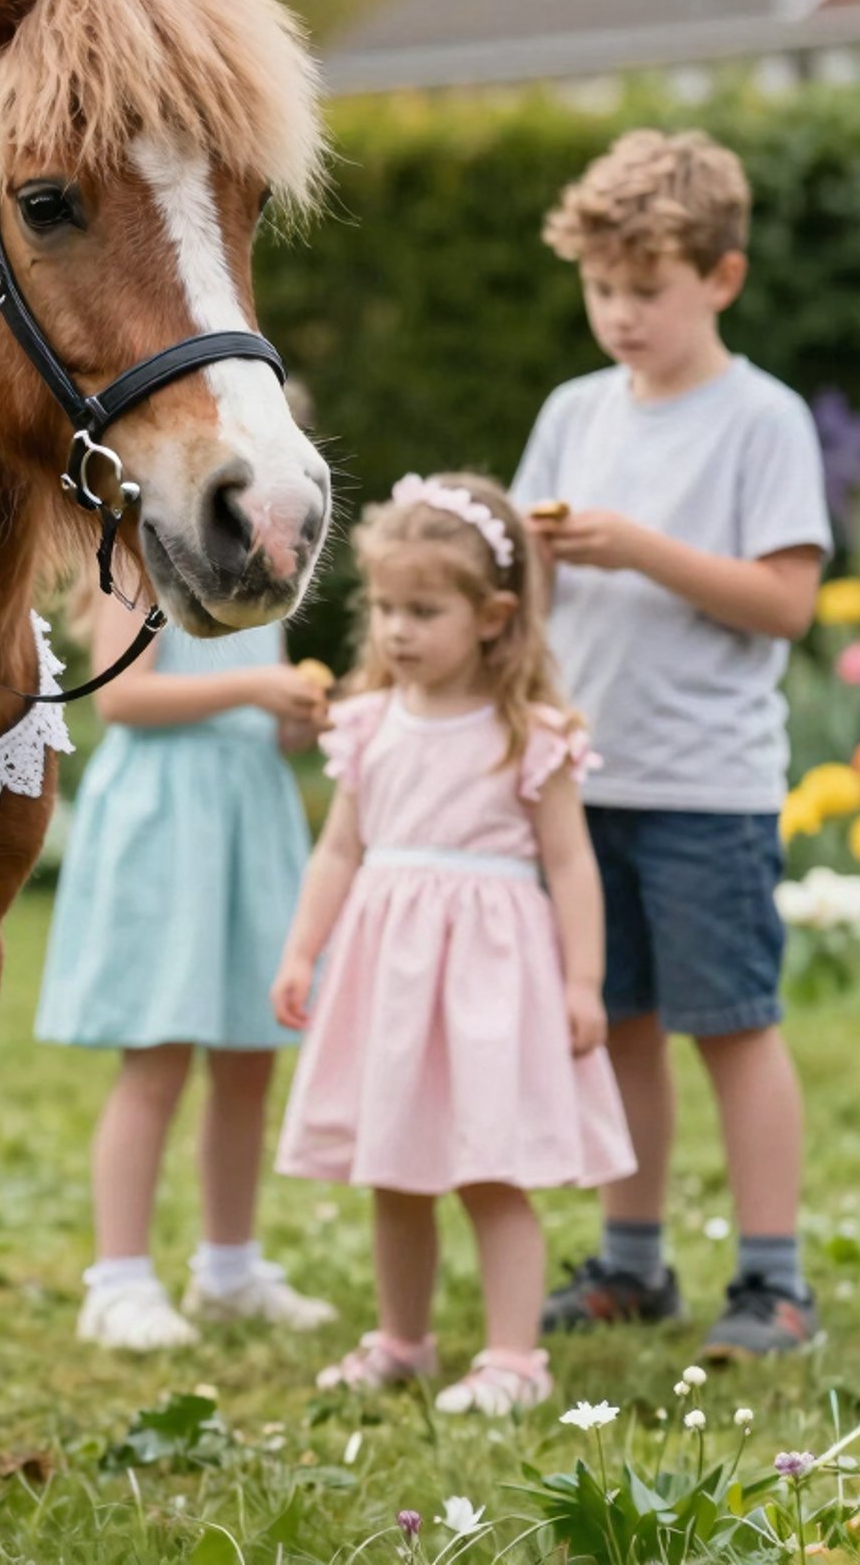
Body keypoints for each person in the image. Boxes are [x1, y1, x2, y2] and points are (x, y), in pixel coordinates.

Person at [512, 129, 830, 1356]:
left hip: (708, 789)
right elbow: (530, 585)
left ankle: (773, 1282)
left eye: (647, 292)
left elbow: (785, 604)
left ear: (723, 279)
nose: (620, 317)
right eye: (602, 291)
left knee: (733, 1024)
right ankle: (631, 1262)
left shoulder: (764, 421)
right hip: (586, 788)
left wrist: (634, 544)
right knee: (620, 1021)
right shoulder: (573, 413)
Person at [271, 473, 635, 1415]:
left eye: (423, 609)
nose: (396, 630)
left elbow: (575, 865)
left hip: (491, 983)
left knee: (488, 1166)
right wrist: (303, 951)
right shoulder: (366, 723)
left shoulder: (530, 733)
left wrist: (585, 982)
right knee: (393, 1167)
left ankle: (516, 1357)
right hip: (386, 979)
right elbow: (340, 849)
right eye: (386, 607)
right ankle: (404, 1339)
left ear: (492, 614)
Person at [36, 584, 336, 1352]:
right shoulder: (145, 565)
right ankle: (119, 1281)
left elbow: (259, 724)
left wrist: (292, 720)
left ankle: (230, 1271)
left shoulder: (263, 583)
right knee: (158, 1056)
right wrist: (252, 687)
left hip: (248, 813)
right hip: (168, 818)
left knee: (249, 1056)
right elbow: (122, 697)